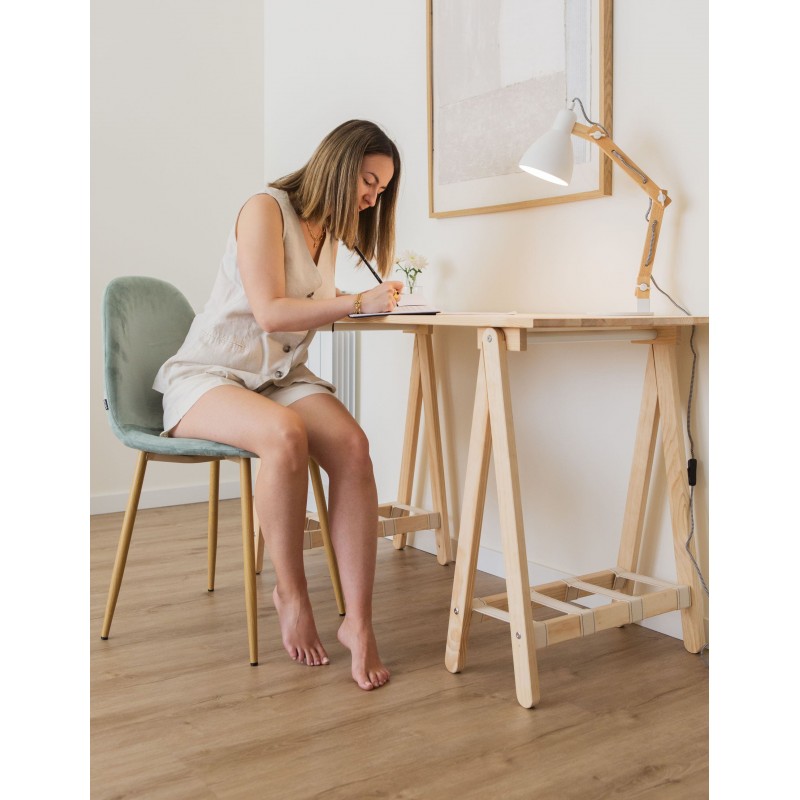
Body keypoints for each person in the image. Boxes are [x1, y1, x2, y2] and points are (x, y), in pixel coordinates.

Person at [153, 120, 404, 690]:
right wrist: (353, 302)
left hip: (277, 376)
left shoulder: (332, 234)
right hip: (212, 373)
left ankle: (360, 624)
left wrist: (363, 304)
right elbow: (269, 312)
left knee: (352, 446)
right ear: (339, 167)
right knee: (286, 435)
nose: (372, 197)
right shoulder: (264, 209)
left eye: (381, 191)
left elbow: (305, 318)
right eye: (368, 181)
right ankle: (290, 592)